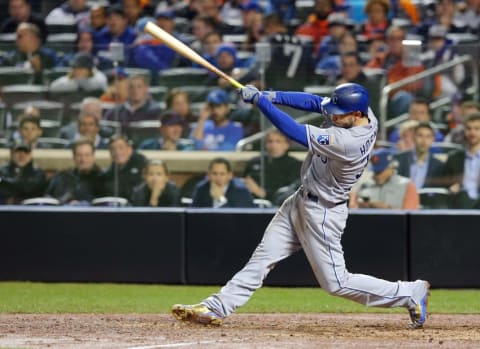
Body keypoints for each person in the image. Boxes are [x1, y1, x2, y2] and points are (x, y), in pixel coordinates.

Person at [171, 83, 430, 328]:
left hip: (324, 212)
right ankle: (216, 307)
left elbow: (294, 132)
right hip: (300, 201)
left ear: (357, 114)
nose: (334, 116)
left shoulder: (349, 142)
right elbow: (317, 102)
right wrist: (272, 95)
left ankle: (408, 292)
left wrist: (262, 103)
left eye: (340, 115)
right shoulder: (360, 111)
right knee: (262, 257)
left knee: (337, 284)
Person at [242, 129, 302, 203]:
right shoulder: (254, 162)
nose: (273, 145)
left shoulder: (295, 164)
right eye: (270, 141)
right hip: (252, 201)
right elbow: (245, 180)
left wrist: (262, 193)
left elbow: (292, 188)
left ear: (286, 145)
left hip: (281, 203)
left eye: (278, 141)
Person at [350, 148, 420, 209]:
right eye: (376, 172)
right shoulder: (364, 185)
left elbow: (411, 218)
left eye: (380, 171)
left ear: (391, 167)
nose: (377, 175)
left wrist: (388, 209)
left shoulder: (407, 186)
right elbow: (353, 210)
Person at [45, 138, 104, 205]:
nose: (83, 159)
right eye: (79, 155)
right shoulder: (63, 176)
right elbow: (48, 198)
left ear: (93, 156)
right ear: (74, 157)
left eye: (87, 155)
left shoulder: (102, 179)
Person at [442, 112, 480, 209]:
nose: (472, 133)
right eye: (469, 128)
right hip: (459, 205)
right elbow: (444, 184)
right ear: (464, 131)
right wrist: (451, 188)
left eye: (477, 129)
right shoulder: (453, 158)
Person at [394, 122, 446, 189]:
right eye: (420, 136)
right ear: (414, 137)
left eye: (428, 137)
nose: (424, 141)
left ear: (432, 140)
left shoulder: (439, 166)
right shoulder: (399, 159)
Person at [191, 157, 255, 208]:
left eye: (222, 174)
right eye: (214, 173)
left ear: (230, 175)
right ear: (208, 175)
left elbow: (237, 218)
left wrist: (221, 200)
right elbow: (193, 214)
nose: (218, 178)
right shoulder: (201, 189)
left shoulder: (240, 190)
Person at [102, 134, 147, 200]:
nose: (117, 152)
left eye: (121, 148)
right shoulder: (109, 174)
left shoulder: (141, 164)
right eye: (113, 149)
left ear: (129, 149)